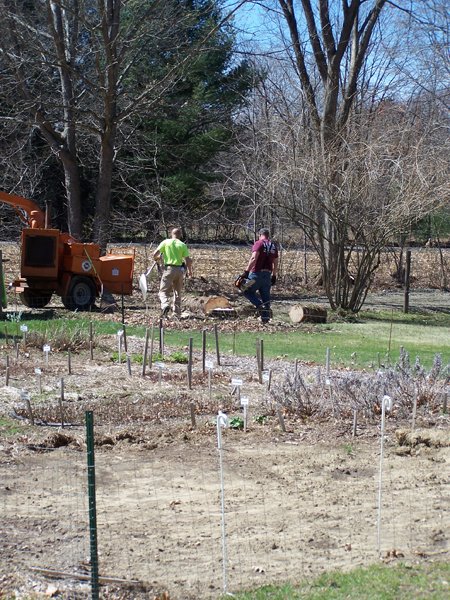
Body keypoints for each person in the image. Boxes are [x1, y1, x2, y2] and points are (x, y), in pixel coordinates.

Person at [240, 228, 278, 324]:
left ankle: (259, 305)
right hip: (267, 275)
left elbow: (254, 258)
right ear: (268, 235)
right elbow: (276, 262)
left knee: (245, 289)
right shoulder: (273, 246)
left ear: (260, 235)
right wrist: (274, 275)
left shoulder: (259, 243)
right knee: (266, 297)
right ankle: (265, 320)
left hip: (256, 274)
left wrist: (246, 271)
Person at [153, 228, 193, 317]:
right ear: (180, 235)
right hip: (179, 270)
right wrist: (190, 272)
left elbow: (155, 254)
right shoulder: (182, 245)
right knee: (177, 292)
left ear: (171, 234)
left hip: (169, 269)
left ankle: (165, 304)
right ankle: (176, 313)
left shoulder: (165, 242)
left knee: (163, 291)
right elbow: (188, 260)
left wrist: (157, 258)